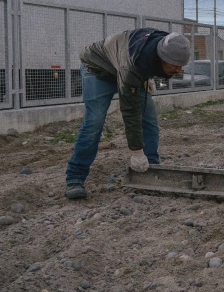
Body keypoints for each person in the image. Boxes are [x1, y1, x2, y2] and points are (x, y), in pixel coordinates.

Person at [65, 28, 191, 200]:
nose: (179, 70)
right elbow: (130, 111)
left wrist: (147, 77)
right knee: (94, 122)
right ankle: (75, 178)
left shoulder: (168, 43)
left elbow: (142, 56)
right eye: (175, 65)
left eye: (181, 65)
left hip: (126, 66)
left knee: (149, 118)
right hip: (98, 69)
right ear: (163, 57)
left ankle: (151, 169)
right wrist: (136, 152)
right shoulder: (133, 65)